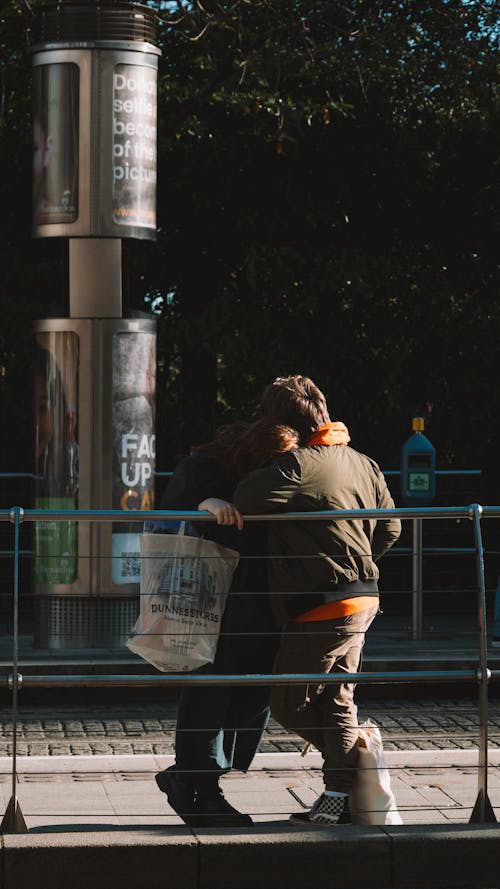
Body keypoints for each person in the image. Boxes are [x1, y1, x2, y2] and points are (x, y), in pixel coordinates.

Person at [233, 374, 401, 825]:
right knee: (338, 701)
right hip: (364, 598)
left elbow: (244, 497)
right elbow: (392, 528)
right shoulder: (364, 462)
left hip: (321, 604)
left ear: (279, 420)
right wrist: (357, 561)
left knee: (289, 702)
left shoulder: (297, 465)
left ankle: (353, 761)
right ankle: (336, 801)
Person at [154, 419, 299, 827]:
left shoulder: (261, 474)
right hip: (214, 600)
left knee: (249, 693)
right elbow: (166, 519)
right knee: (212, 689)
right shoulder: (204, 468)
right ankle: (200, 783)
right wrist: (204, 505)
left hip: (255, 599)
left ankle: (191, 777)